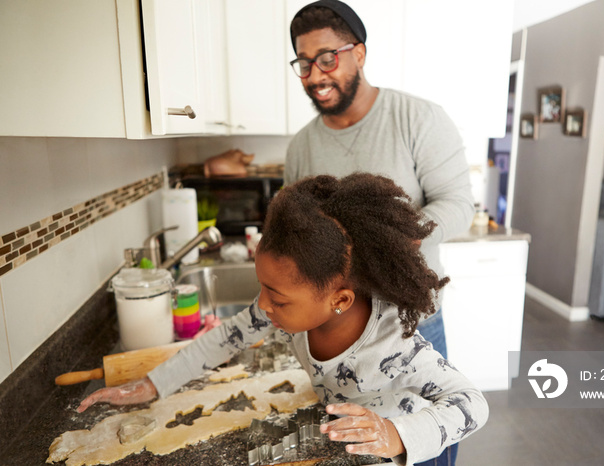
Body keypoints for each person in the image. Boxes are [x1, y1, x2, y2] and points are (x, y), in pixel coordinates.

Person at [78, 173, 488, 465]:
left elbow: (472, 404)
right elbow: (228, 337)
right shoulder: (285, 307)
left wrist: (394, 435)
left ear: (339, 300)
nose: (263, 306)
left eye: (276, 296)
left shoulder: (392, 344)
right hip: (330, 435)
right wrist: (154, 383)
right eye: (262, 288)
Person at [286, 0, 475, 362]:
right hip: (335, 327)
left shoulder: (419, 119)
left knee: (422, 417)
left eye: (327, 58)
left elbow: (458, 204)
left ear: (359, 54)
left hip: (412, 323)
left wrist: (399, 239)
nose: (315, 76)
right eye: (304, 63)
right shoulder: (300, 147)